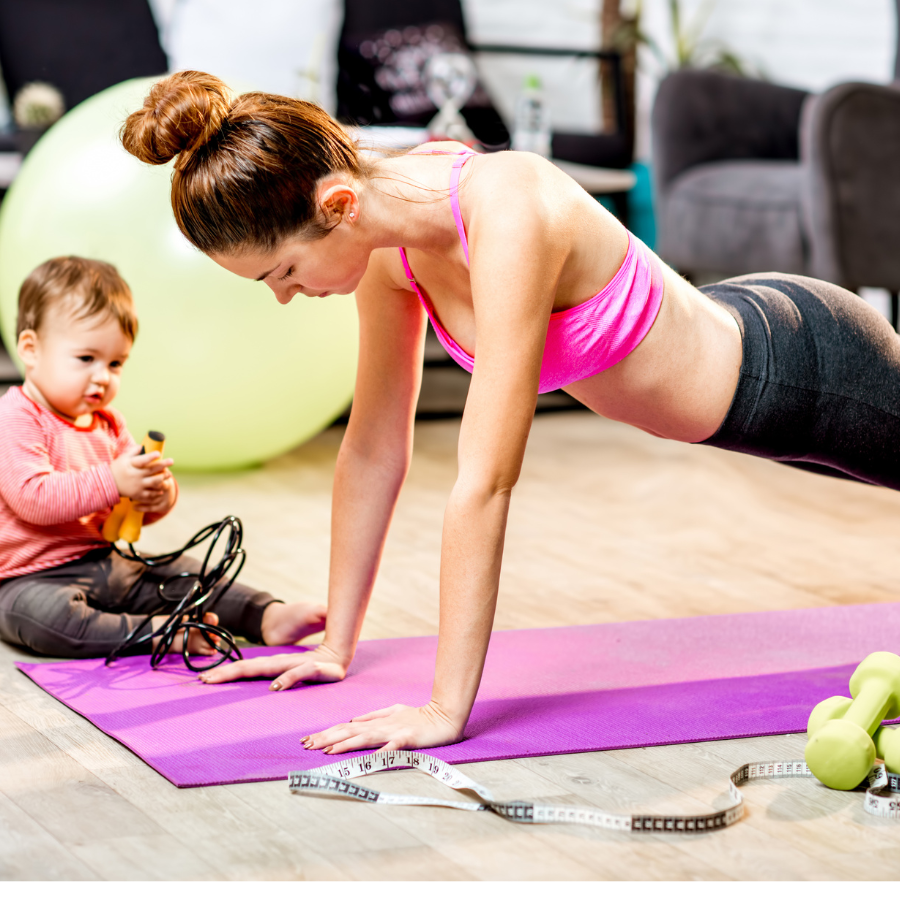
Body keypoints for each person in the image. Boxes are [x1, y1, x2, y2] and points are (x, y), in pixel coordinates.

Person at [121, 70, 900, 753]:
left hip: (802, 369)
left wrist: (444, 708)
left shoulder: (510, 209)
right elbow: (372, 447)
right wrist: (337, 643)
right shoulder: (385, 251)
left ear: (339, 202)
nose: (287, 296)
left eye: (282, 271)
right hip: (741, 369)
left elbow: (485, 481)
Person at [0, 255, 327, 659]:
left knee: (183, 572)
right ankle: (159, 633)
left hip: (106, 560)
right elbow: (33, 499)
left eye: (115, 362)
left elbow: (130, 512)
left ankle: (264, 615)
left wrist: (154, 495)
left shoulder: (108, 422)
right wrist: (114, 480)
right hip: (29, 580)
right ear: (31, 350)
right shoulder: (16, 418)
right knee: (42, 620)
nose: (103, 376)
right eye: (86, 359)